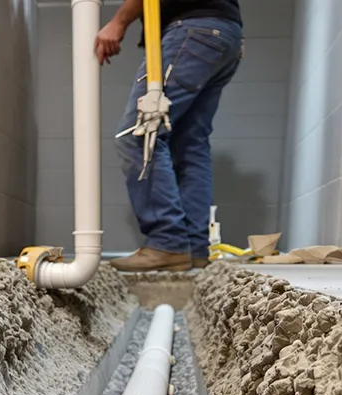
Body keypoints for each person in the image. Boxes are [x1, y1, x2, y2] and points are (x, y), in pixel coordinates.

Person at [95, 0, 243, 272]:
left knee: (139, 134)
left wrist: (118, 22)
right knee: (190, 145)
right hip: (224, 34)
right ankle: (193, 248)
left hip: (192, 30)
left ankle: (168, 242)